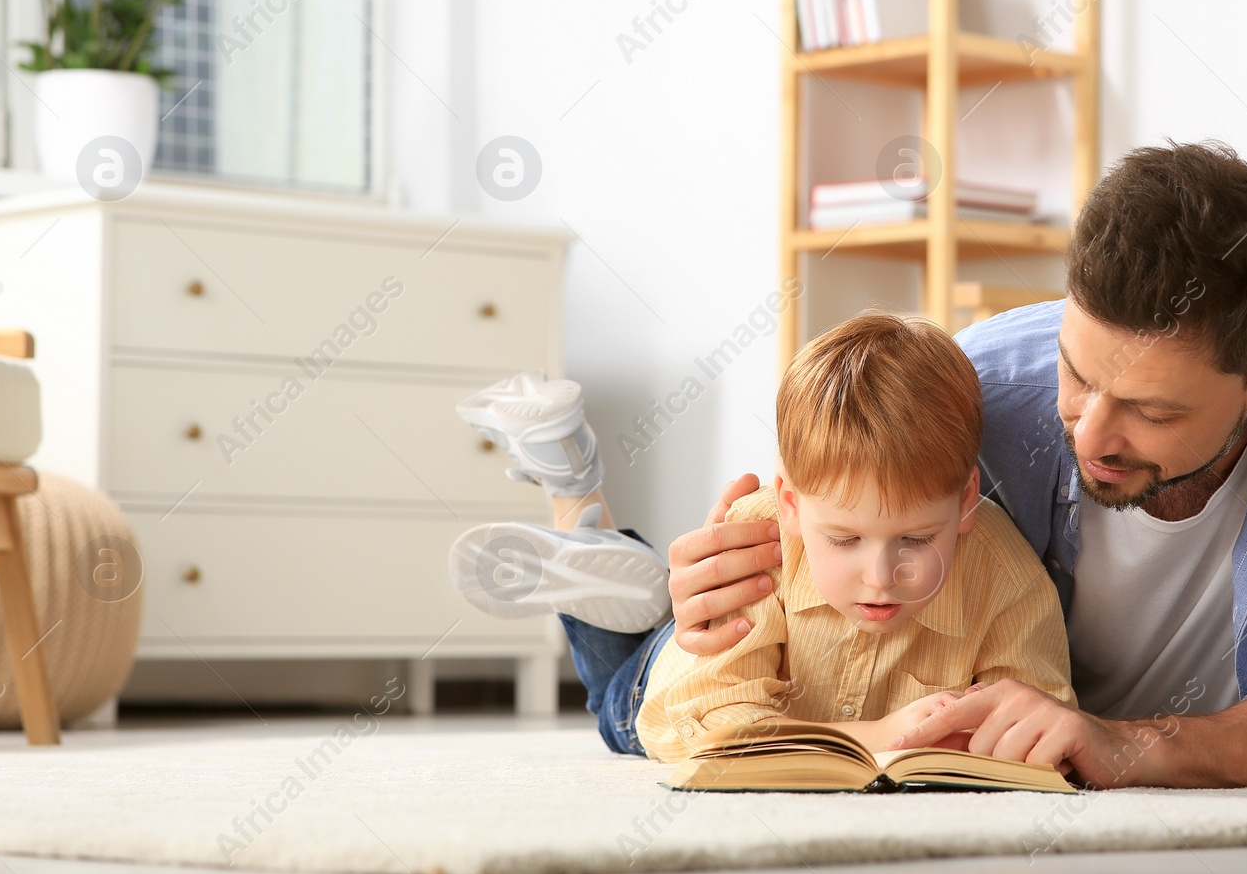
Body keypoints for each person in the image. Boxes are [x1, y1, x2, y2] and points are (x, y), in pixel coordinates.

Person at [666, 142, 1247, 788]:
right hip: (813, 662)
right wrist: (722, 582)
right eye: (1077, 372)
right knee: (643, 670)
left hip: (1085, 725)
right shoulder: (991, 381)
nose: (1090, 433)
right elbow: (840, 527)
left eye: (1152, 409)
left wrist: (1125, 744)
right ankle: (614, 567)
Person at [447, 313, 1074, 761]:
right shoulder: (760, 536)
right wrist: (875, 737)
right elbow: (697, 726)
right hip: (674, 675)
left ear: (966, 501)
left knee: (627, 630)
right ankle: (574, 494)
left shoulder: (1009, 578)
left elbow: (1035, 724)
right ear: (792, 505)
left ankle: (575, 490)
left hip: (749, 667)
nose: (880, 575)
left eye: (914, 540)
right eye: (846, 541)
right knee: (616, 703)